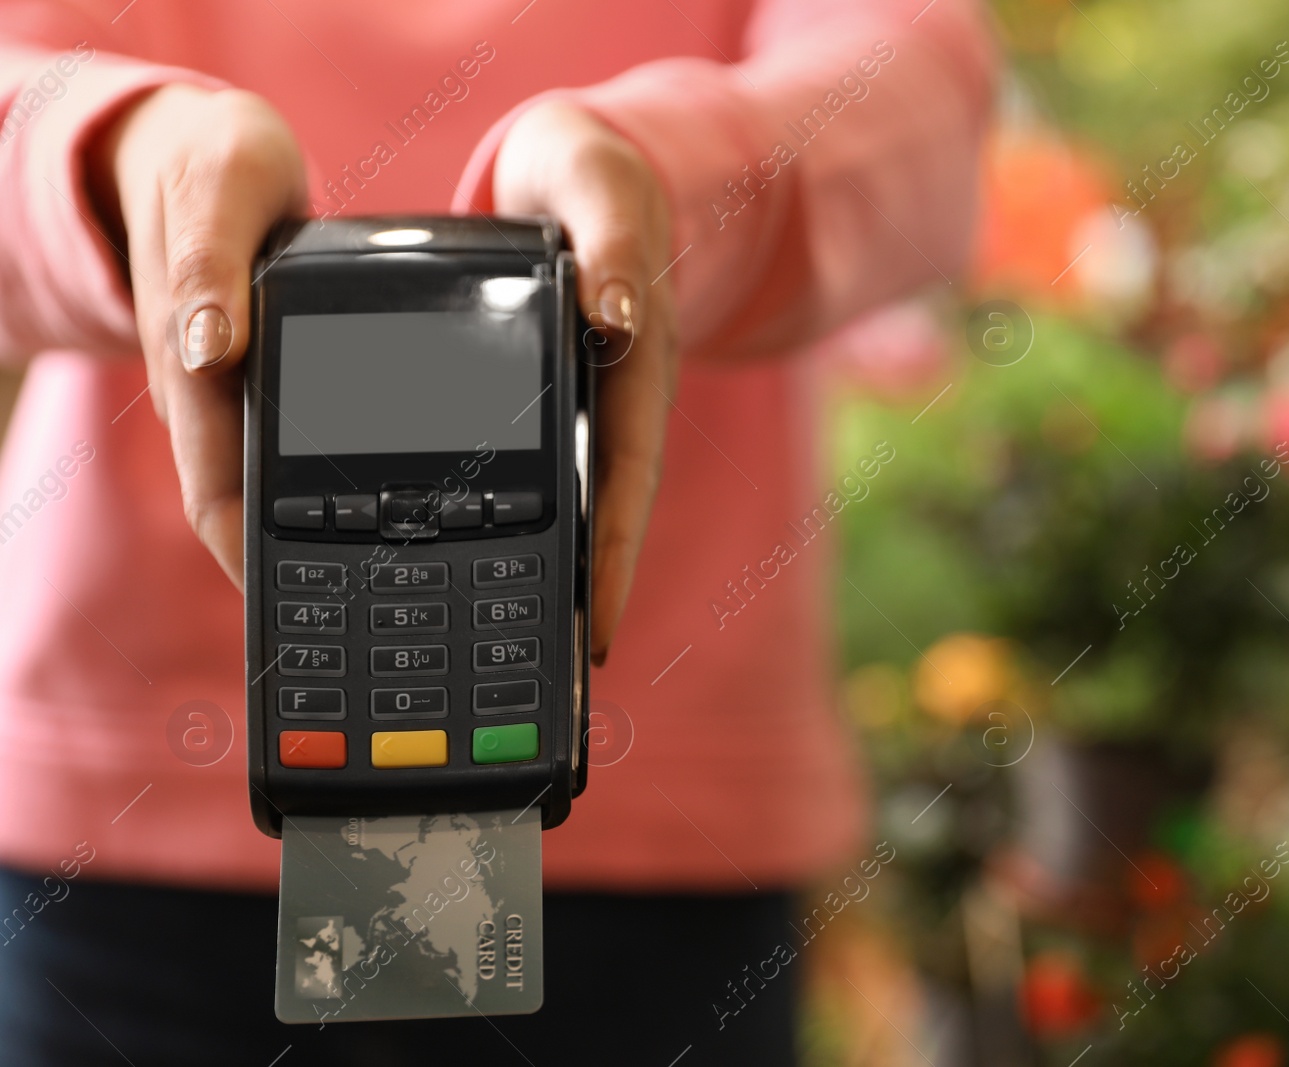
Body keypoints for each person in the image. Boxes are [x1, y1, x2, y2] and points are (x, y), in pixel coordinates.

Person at [0, 0, 992, 1062]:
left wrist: (669, 173)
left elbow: (922, 91)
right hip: (123, 835)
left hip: (660, 837)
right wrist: (112, 154)